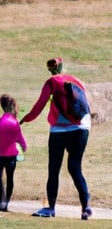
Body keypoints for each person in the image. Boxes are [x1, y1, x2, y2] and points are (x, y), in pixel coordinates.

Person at [20, 58, 92, 219]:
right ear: (61, 67)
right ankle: (86, 208)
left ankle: (51, 209)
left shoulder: (51, 82)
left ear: (50, 69)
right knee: (75, 167)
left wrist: (26, 119)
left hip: (59, 130)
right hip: (81, 128)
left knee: (54, 169)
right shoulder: (77, 81)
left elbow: (39, 106)